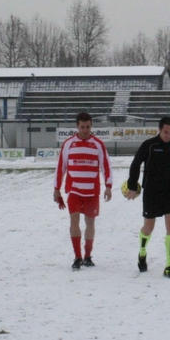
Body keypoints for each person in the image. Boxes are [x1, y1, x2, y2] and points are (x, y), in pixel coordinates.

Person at [126, 116, 170, 279]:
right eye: (166, 132)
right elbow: (135, 164)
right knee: (148, 227)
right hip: (151, 192)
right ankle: (142, 252)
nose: (168, 135)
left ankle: (169, 266)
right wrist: (132, 186)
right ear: (159, 129)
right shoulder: (149, 145)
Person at [54, 112, 113, 270]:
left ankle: (88, 256)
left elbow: (106, 166)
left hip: (92, 192)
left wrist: (108, 186)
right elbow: (61, 167)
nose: (85, 130)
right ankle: (77, 256)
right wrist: (56, 189)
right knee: (74, 221)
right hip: (74, 191)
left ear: (91, 125)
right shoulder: (68, 144)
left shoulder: (98, 144)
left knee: (90, 223)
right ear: (77, 126)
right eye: (82, 127)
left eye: (88, 127)